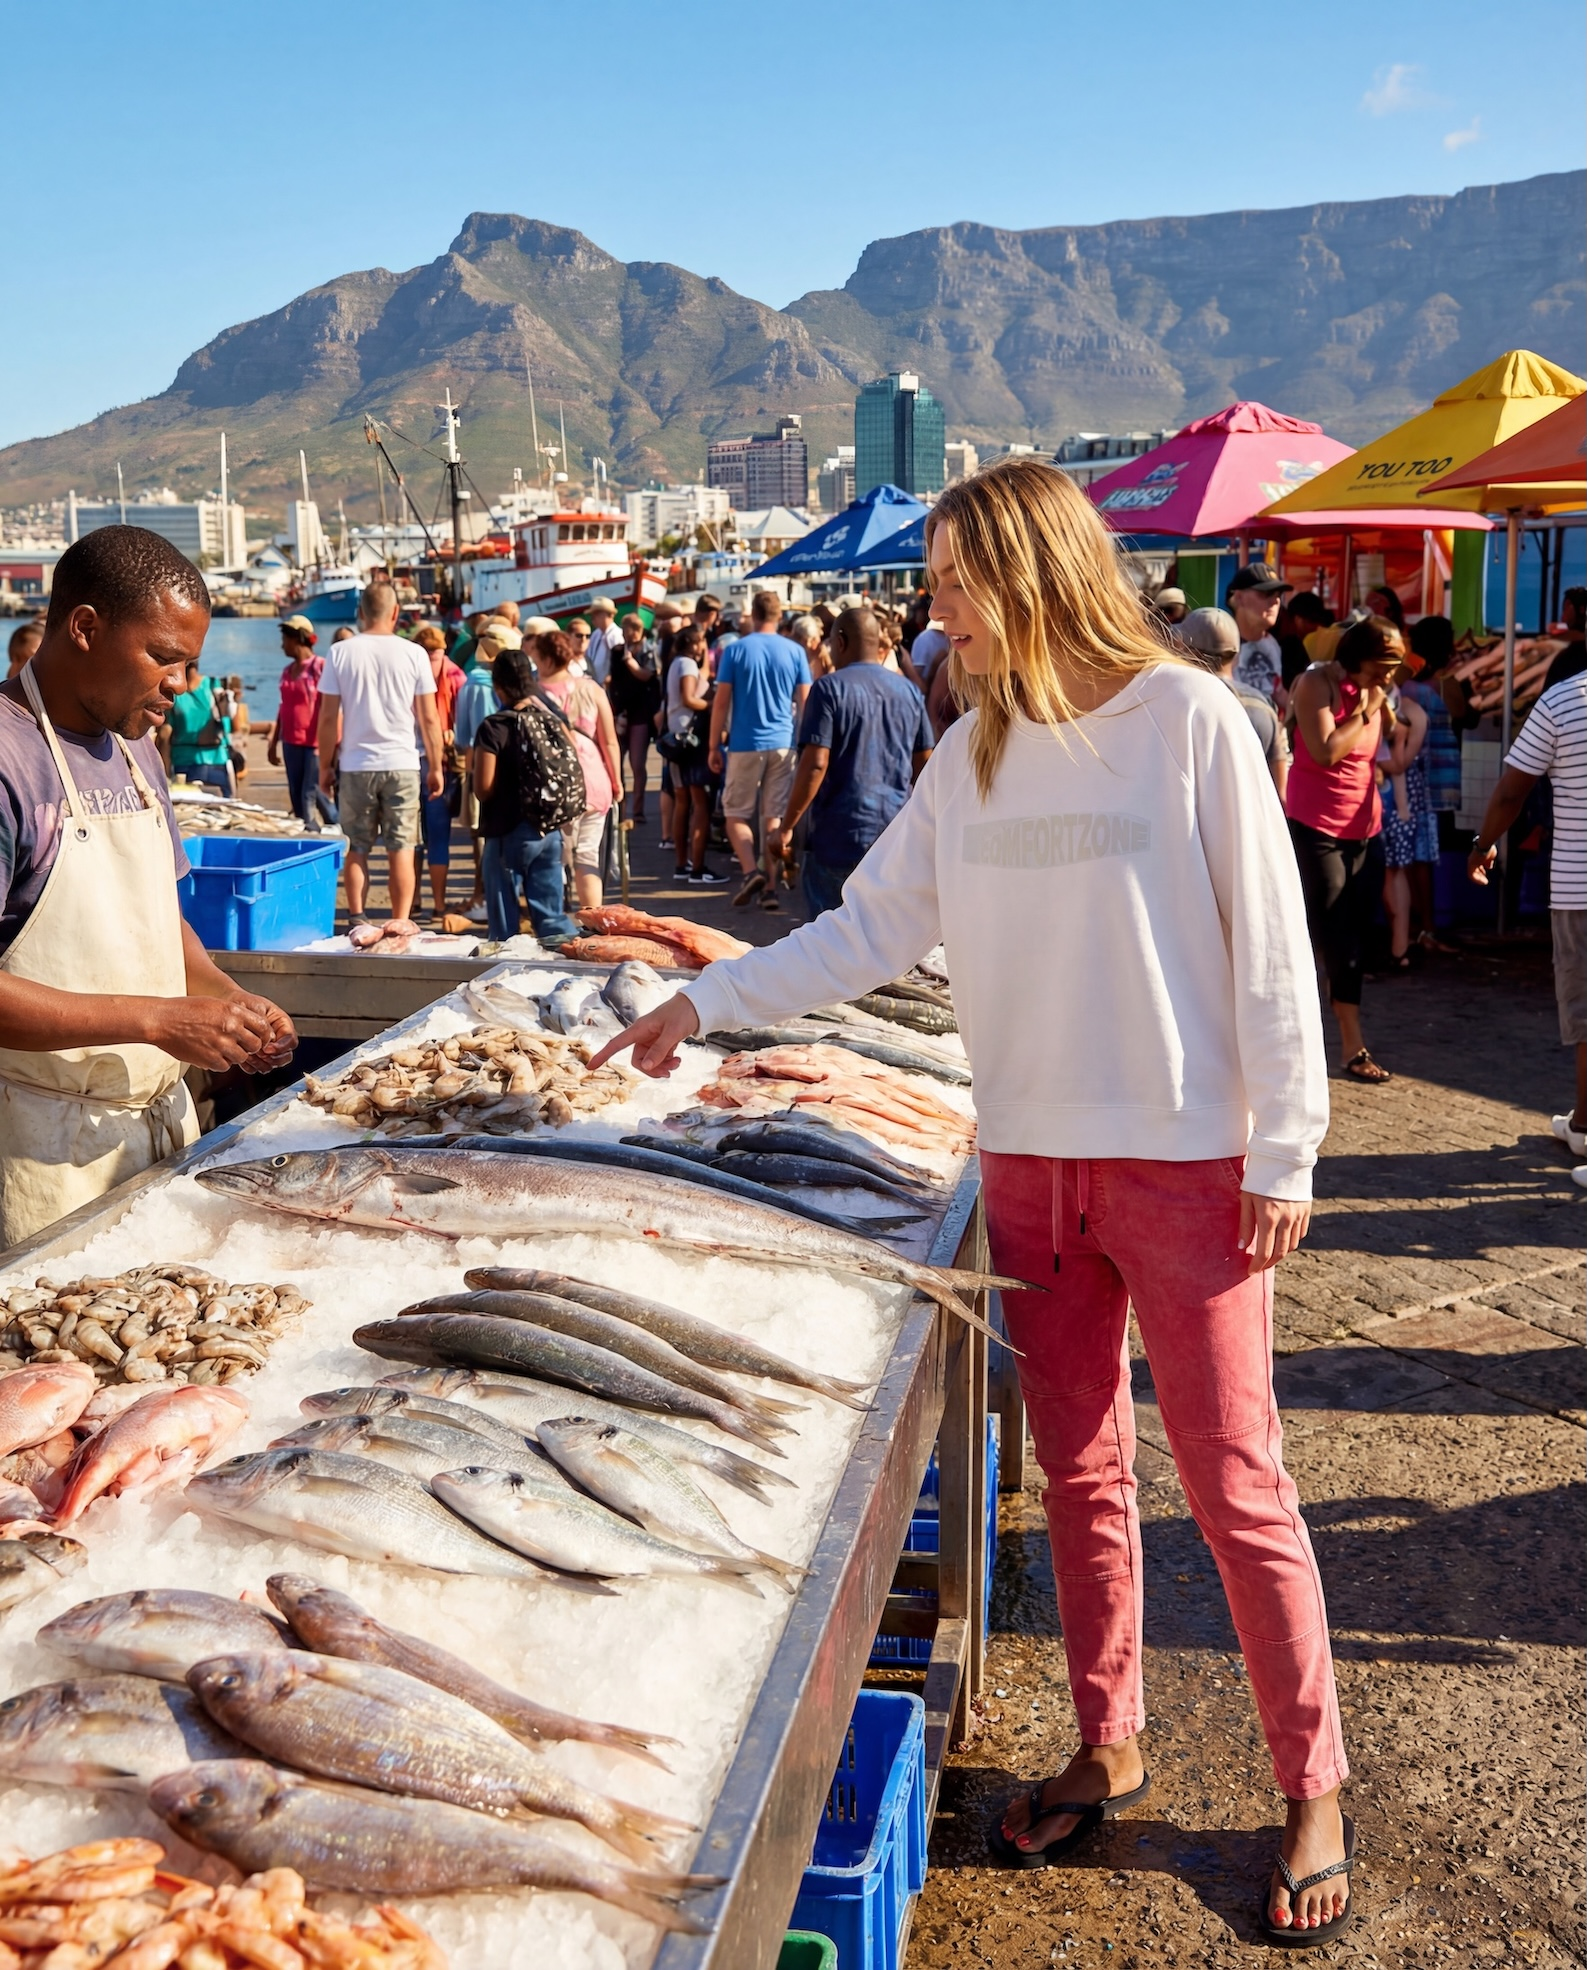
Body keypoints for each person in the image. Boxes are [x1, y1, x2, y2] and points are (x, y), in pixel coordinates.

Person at [593, 458, 1350, 1945]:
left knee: (1233, 1480)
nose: (931, 612)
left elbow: (1272, 949)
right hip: (1025, 1161)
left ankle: (1310, 1780)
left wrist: (1286, 1152)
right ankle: (1108, 1734)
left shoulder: (1188, 721)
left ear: (1023, 577)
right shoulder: (971, 752)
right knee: (1073, 1473)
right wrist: (708, 1001)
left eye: (948, 584)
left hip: (1190, 1163)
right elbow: (867, 931)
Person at [0, 526, 295, 1247]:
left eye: (190, 664)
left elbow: (158, 926)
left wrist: (225, 999)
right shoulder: (9, 758)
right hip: (35, 1150)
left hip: (156, 1133)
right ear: (85, 628)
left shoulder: (135, 748)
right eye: (163, 657)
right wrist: (159, 1020)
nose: (180, 685)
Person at [1468, 670, 1587, 1185]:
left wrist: (1482, 844)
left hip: (1580, 886)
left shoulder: (1564, 699)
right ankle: (1582, 1121)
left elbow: (1513, 791)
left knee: (1586, 1009)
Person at [1286, 615, 1403, 1084]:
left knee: (1358, 935)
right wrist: (1366, 709)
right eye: (1382, 667)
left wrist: (1383, 706)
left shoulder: (1376, 692)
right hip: (1318, 827)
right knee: (1335, 934)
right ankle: (1350, 1044)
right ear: (1357, 658)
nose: (1388, 678)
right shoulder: (1317, 684)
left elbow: (1388, 735)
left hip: (1365, 828)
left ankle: (1331, 1019)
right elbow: (1325, 751)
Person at [781, 607, 933, 918]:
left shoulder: (828, 688)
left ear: (839, 641)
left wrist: (787, 826)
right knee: (882, 938)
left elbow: (814, 765)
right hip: (892, 838)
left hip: (837, 838)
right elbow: (925, 767)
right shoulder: (908, 691)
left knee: (828, 940)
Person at [315, 582, 443, 925]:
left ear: (360, 613)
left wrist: (325, 767)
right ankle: (400, 921)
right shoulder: (414, 653)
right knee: (401, 849)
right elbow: (429, 717)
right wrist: (436, 765)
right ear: (396, 613)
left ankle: (357, 916)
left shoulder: (341, 652)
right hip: (402, 762)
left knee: (356, 847)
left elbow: (328, 718)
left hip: (356, 764)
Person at [470, 645, 582, 948]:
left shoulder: (494, 727)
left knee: (504, 924)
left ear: (498, 686)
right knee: (552, 919)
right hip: (549, 831)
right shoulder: (550, 719)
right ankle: (566, 970)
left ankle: (507, 978)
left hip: (507, 833)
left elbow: (483, 787)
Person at [707, 589, 811, 909]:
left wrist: (713, 744)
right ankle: (770, 887)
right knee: (774, 818)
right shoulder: (794, 651)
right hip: (783, 741)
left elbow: (721, 700)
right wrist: (803, 740)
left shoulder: (736, 650)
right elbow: (805, 700)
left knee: (735, 815)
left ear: (753, 614)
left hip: (744, 742)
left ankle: (751, 870)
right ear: (780, 616)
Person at [532, 628, 622, 909]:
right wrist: (616, 781)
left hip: (552, 785)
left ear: (543, 658)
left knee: (555, 858)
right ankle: (592, 924)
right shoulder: (591, 689)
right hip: (593, 780)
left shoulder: (532, 696)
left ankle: (554, 921)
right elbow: (609, 741)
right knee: (587, 857)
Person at [1177, 607, 1290, 799]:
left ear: (1187, 652)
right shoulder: (1262, 704)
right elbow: (1280, 788)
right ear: (1236, 657)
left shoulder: (1182, 703)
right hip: (1252, 820)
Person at [453, 619, 516, 923]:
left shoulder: (471, 683)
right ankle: (490, 897)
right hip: (504, 770)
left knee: (481, 839)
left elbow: (464, 738)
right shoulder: (493, 684)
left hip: (478, 769)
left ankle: (485, 896)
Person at [661, 622, 722, 884]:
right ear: (692, 643)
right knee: (699, 804)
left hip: (677, 738)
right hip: (690, 739)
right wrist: (713, 704)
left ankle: (681, 864)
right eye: (700, 642)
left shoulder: (676, 663)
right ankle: (697, 867)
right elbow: (689, 698)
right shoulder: (686, 664)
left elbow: (703, 675)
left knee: (682, 802)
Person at [413, 624, 465, 920]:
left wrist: (451, 734)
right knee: (423, 837)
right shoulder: (456, 675)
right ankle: (426, 902)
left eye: (437, 655)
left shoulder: (454, 677)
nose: (434, 661)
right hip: (423, 763)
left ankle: (434, 903)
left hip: (433, 763)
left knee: (432, 836)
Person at [265, 616, 336, 830]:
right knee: (298, 796)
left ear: (298, 639)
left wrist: (330, 748)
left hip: (314, 745)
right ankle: (337, 823)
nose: (282, 644)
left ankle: (311, 838)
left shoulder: (319, 667)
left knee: (308, 796)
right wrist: (273, 741)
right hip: (291, 743)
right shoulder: (287, 671)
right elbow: (283, 707)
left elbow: (330, 708)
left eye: (285, 639)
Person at [1379, 686, 1431, 967]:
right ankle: (1398, 947)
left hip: (1396, 806)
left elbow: (1398, 765)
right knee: (1391, 873)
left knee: (1393, 873)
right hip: (1391, 804)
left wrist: (1397, 739)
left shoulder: (1413, 714)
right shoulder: (1402, 712)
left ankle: (1399, 946)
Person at [607, 612, 661, 822]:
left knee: (638, 763)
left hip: (641, 714)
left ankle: (637, 809)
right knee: (617, 761)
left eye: (625, 628)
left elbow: (648, 675)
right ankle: (620, 807)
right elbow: (615, 681)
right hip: (622, 712)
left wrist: (630, 663)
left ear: (635, 630)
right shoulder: (617, 651)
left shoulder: (649, 650)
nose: (623, 633)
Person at [161, 660, 234, 797]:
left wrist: (165, 774)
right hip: (216, 760)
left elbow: (164, 737)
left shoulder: (173, 693)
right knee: (223, 807)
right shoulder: (213, 686)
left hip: (182, 764)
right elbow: (228, 722)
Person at [1227, 565, 1293, 707]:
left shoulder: (1271, 644)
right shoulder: (1220, 642)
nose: (1275, 601)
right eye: (1266, 593)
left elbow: (1277, 691)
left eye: (1278, 595)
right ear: (1239, 597)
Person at [1543, 586, 1587, 691]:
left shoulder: (1568, 657)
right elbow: (1553, 627)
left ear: (1581, 609)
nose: (1564, 613)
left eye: (1567, 606)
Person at [584, 597, 620, 688]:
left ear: (610, 615)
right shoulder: (596, 634)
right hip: (595, 683)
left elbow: (619, 663)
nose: (593, 618)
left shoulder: (615, 635)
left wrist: (611, 676)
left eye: (597, 614)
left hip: (609, 685)